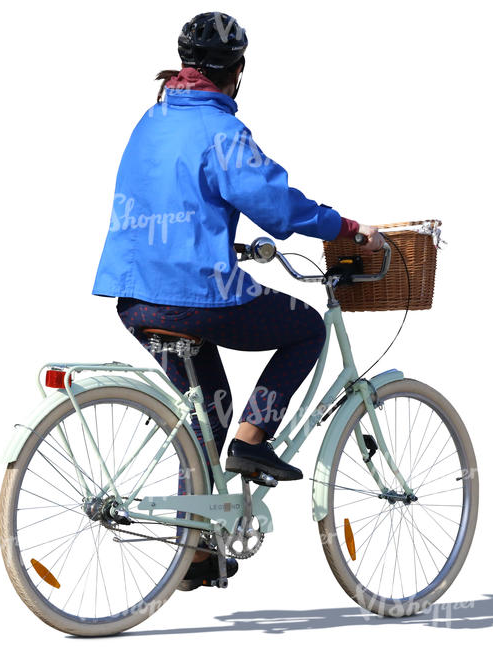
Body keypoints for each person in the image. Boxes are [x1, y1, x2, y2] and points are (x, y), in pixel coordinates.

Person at [92, 11, 384, 589]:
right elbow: (275, 205)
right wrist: (344, 227)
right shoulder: (221, 133)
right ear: (238, 71)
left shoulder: (151, 120)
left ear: (184, 65)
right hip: (194, 296)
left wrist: (225, 240)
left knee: (207, 410)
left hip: (134, 296)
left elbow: (174, 199)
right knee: (306, 328)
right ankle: (254, 443)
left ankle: (194, 555)